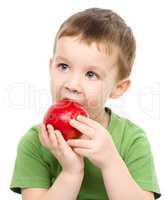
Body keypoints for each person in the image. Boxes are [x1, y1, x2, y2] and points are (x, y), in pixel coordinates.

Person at [10, 7, 161, 200]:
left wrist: (110, 162)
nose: (72, 85)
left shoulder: (132, 140)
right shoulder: (35, 142)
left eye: (91, 74)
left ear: (118, 88)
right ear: (50, 67)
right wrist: (71, 173)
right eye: (63, 66)